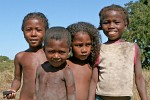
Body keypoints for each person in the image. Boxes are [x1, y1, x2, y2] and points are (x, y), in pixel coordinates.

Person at [88, 4, 148, 100]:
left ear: (125, 25)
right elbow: (94, 80)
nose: (111, 26)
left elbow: (139, 78)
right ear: (101, 25)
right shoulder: (99, 48)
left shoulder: (132, 48)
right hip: (101, 98)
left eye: (116, 22)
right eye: (106, 22)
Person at [3, 12, 49, 100]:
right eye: (28, 30)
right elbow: (17, 79)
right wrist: (13, 89)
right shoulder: (20, 57)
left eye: (38, 30)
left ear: (46, 31)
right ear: (23, 32)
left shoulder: (51, 55)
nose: (33, 34)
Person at [35, 27, 76, 100]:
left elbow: (71, 95)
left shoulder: (66, 72)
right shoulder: (40, 69)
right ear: (44, 50)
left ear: (69, 51)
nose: (56, 56)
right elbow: (36, 91)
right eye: (51, 51)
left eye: (61, 52)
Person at [67, 22, 101, 100]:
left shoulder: (93, 66)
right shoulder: (65, 64)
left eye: (88, 44)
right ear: (70, 45)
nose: (84, 50)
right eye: (79, 45)